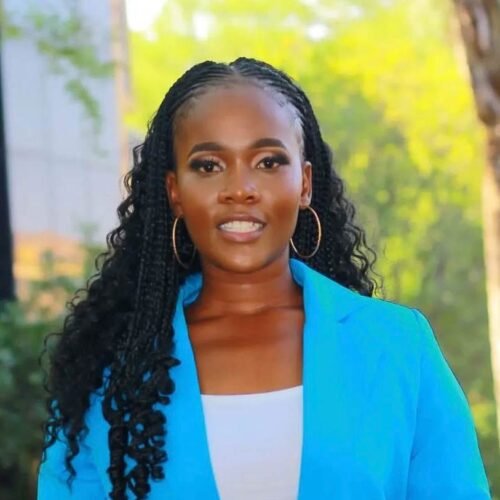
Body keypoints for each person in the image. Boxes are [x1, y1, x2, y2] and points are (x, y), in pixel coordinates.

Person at [37, 57, 491, 500]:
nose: (240, 189)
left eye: (268, 162)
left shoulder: (398, 346)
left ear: (305, 183)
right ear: (174, 192)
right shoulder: (109, 367)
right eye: (209, 165)